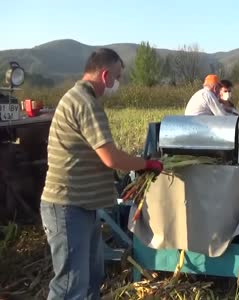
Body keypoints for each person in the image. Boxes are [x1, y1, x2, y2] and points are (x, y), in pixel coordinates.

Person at [40, 48, 164, 299]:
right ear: (105, 75)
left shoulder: (80, 98)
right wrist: (146, 164)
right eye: (117, 77)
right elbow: (111, 157)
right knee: (69, 286)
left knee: (91, 278)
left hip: (82, 205)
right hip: (67, 206)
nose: (117, 83)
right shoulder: (85, 103)